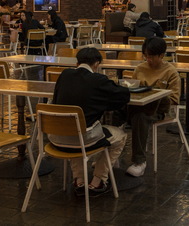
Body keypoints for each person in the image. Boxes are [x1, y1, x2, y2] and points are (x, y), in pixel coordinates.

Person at [49, 48, 130, 196]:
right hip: (83, 139)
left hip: (56, 137)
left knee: (74, 128)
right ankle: (98, 181)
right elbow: (124, 95)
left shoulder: (64, 75)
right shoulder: (98, 80)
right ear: (96, 64)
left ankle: (79, 180)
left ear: (77, 62)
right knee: (120, 136)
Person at [126, 37, 181, 177]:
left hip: (159, 110)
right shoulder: (140, 68)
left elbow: (174, 99)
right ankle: (108, 157)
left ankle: (140, 162)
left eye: (151, 56)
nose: (148, 59)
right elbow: (133, 89)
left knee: (140, 117)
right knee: (112, 111)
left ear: (161, 55)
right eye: (145, 55)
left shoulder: (171, 72)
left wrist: (155, 95)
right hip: (138, 105)